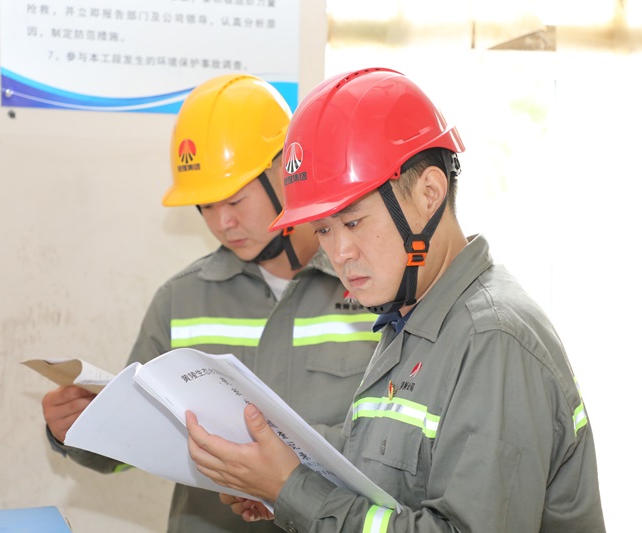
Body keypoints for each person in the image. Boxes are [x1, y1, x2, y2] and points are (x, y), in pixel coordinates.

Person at [186, 67, 606, 532]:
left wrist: (291, 489)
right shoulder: (410, 320)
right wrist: (277, 481)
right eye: (323, 230)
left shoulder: (492, 339)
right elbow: (383, 480)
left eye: (353, 222)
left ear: (429, 193)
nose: (339, 253)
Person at [40, 73, 381, 533]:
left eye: (235, 200)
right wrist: (74, 429)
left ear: (286, 172)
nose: (222, 222)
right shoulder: (181, 298)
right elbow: (133, 443)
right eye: (205, 205)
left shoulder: (372, 288)